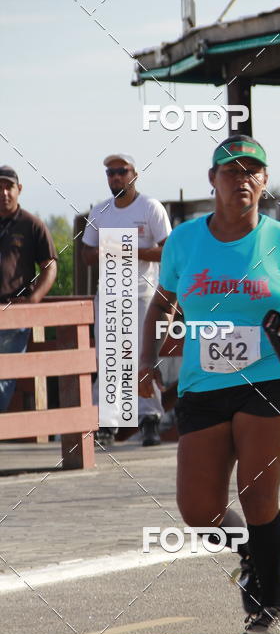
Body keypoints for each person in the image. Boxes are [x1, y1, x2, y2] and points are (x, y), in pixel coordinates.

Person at [139, 134, 280, 634]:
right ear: (213, 181)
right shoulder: (184, 241)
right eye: (231, 171)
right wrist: (146, 360)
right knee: (199, 509)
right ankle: (250, 549)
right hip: (204, 383)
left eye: (252, 171)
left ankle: (271, 609)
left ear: (264, 182)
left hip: (271, 378)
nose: (242, 179)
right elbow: (161, 305)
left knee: (257, 492)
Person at [82, 154, 171, 446]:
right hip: (108, 296)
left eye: (122, 171)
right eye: (110, 172)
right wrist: (114, 249)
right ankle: (106, 424)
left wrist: (129, 250)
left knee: (141, 358)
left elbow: (167, 251)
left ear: (134, 175)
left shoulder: (150, 208)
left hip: (143, 294)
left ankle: (149, 420)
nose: (116, 177)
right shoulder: (100, 211)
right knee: (108, 360)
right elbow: (86, 254)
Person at [0, 166, 57, 412]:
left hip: (14, 313)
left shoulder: (32, 225)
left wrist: (34, 299)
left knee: (3, 378)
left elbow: (50, 266)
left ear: (18, 190)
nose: (3, 192)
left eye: (8, 186)